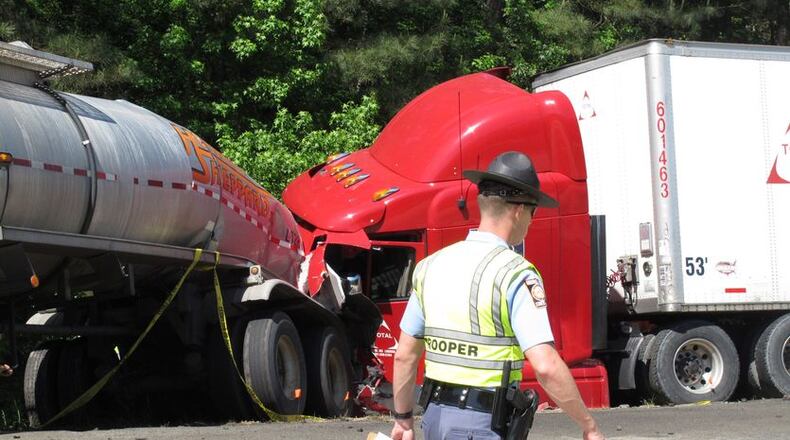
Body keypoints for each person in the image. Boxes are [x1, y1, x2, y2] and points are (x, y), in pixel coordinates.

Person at [390, 151, 605, 440]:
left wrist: (403, 420)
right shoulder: (515, 273)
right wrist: (588, 425)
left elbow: (405, 356)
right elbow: (546, 365)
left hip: (434, 419)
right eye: (534, 212)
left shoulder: (430, 267)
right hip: (481, 424)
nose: (532, 221)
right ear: (518, 210)